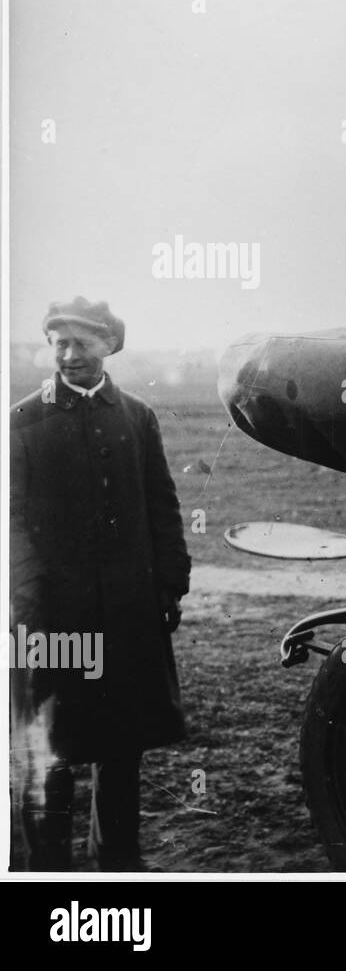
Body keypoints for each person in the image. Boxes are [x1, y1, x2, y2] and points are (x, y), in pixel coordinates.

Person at [10, 298, 190, 871]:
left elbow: (161, 504)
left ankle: (117, 863)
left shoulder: (136, 417)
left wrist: (169, 586)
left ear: (109, 346)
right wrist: (29, 599)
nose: (68, 355)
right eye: (57, 343)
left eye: (81, 343)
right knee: (47, 751)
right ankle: (46, 869)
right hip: (49, 623)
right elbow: (8, 520)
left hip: (126, 615)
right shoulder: (21, 421)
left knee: (121, 746)